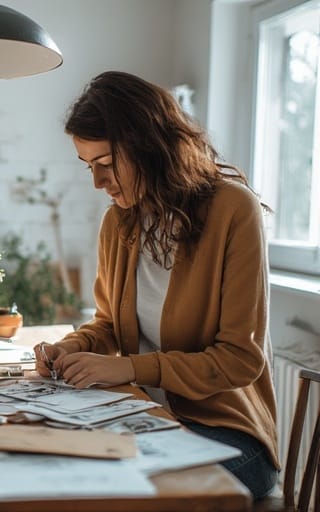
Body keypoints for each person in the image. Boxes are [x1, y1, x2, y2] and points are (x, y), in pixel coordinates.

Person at [35, 71, 278, 499]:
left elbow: (240, 360)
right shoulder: (118, 222)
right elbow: (107, 325)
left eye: (106, 164)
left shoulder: (233, 210)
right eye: (89, 167)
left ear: (148, 145)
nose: (98, 182)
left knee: (124, 492)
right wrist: (71, 349)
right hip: (140, 416)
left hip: (226, 431)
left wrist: (129, 368)